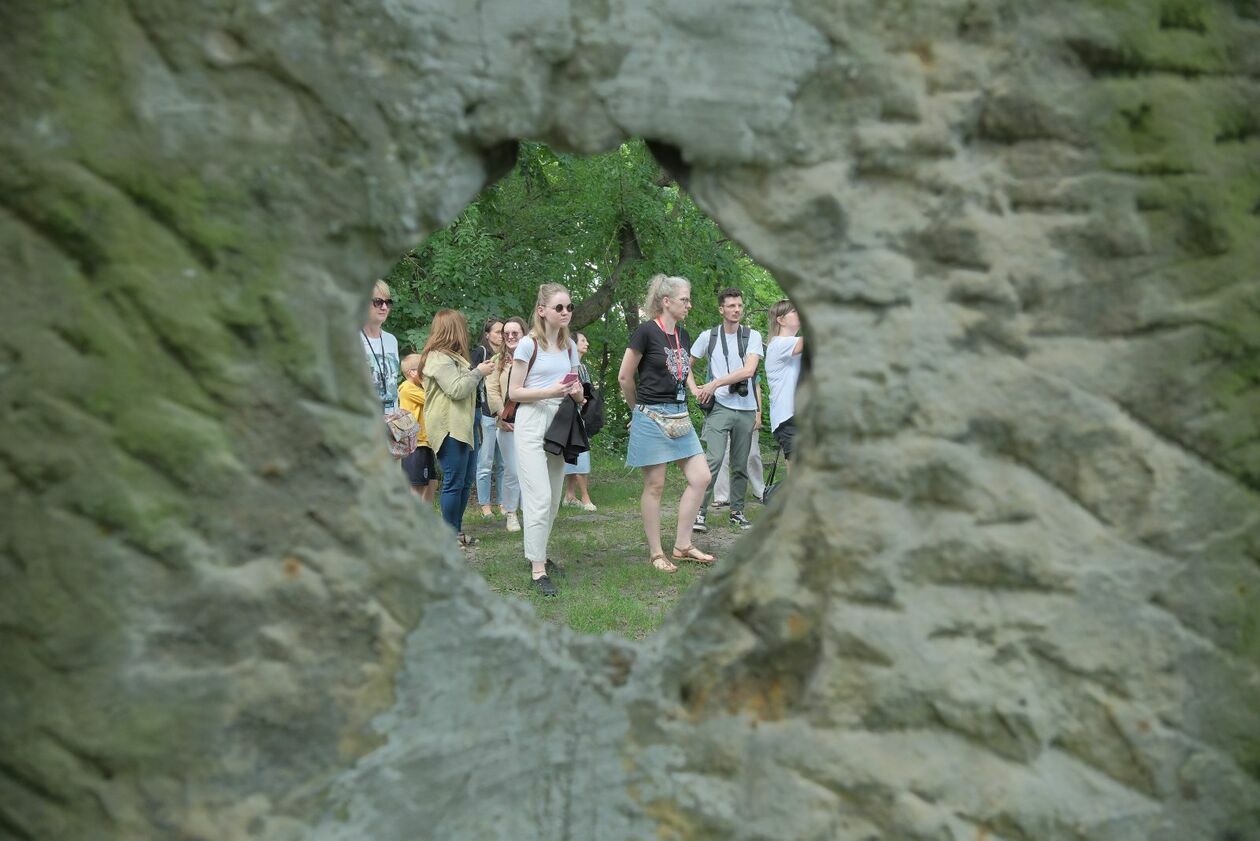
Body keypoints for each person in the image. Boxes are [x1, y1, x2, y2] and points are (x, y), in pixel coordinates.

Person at [617, 274, 714, 573]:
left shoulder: (682, 335)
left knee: (701, 477)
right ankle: (657, 553)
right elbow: (624, 377)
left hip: (680, 414)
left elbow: (683, 369)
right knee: (655, 485)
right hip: (651, 414)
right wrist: (637, 412)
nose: (689, 304)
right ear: (666, 301)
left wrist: (694, 387)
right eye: (685, 299)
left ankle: (682, 545)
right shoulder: (646, 332)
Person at [508, 285, 586, 596]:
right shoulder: (528, 345)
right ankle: (538, 569)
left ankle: (539, 552)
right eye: (559, 307)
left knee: (553, 499)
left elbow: (577, 390)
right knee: (538, 498)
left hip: (560, 420)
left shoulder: (570, 348)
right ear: (542, 311)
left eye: (569, 307)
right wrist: (550, 391)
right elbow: (515, 392)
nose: (565, 312)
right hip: (531, 419)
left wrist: (577, 393)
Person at [420, 309, 497, 547]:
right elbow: (456, 389)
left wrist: (480, 370)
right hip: (448, 427)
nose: (465, 331)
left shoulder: (454, 357)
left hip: (465, 426)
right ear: (453, 329)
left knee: (465, 480)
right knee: (454, 480)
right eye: (462, 326)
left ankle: (457, 531)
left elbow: (467, 383)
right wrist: (478, 372)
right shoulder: (436, 358)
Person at [689, 288, 763, 533]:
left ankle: (737, 512)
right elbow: (685, 365)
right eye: (731, 306)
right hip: (719, 406)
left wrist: (714, 383)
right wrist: (694, 390)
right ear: (721, 309)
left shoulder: (751, 336)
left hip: (746, 407)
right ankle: (699, 513)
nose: (737, 310)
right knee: (713, 460)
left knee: (741, 463)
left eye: (740, 305)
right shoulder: (707, 336)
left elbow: (749, 371)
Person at [485, 317, 527, 533]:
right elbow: (491, 390)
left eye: (515, 333)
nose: (510, 336)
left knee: (532, 470)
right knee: (512, 470)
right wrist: (503, 415)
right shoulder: (497, 360)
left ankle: (531, 511)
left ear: (523, 333)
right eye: (506, 333)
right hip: (507, 424)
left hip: (531, 423)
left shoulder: (533, 357)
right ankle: (511, 512)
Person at [472, 317, 506, 518]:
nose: (501, 335)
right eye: (497, 331)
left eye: (503, 331)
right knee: (485, 462)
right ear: (487, 334)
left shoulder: (508, 355)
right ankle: (485, 506)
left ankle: (503, 503)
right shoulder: (481, 352)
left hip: (505, 415)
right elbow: (470, 377)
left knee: (503, 463)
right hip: (486, 414)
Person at [713, 378, 766, 505]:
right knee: (721, 455)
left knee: (753, 454)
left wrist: (758, 413)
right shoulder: (716, 361)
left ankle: (760, 491)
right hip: (722, 410)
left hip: (747, 410)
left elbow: (755, 386)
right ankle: (721, 496)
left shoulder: (748, 360)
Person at [765, 299, 804, 470]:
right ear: (780, 320)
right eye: (795, 311)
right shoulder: (778, 345)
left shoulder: (795, 346)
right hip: (788, 417)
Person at [562, 332, 598, 511]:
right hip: (569, 416)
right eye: (583, 340)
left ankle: (569, 495)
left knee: (575, 453)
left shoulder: (582, 367)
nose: (587, 343)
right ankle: (585, 498)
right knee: (581, 454)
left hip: (579, 414)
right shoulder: (567, 365)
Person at [398, 353, 436, 505]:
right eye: (424, 368)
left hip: (425, 442)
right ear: (412, 372)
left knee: (432, 482)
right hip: (415, 443)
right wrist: (424, 380)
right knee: (417, 486)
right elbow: (431, 399)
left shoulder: (416, 386)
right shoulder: (407, 388)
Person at [361, 280, 401, 413]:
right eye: (378, 302)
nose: (384, 307)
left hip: (391, 425)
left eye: (388, 302)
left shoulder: (391, 341)